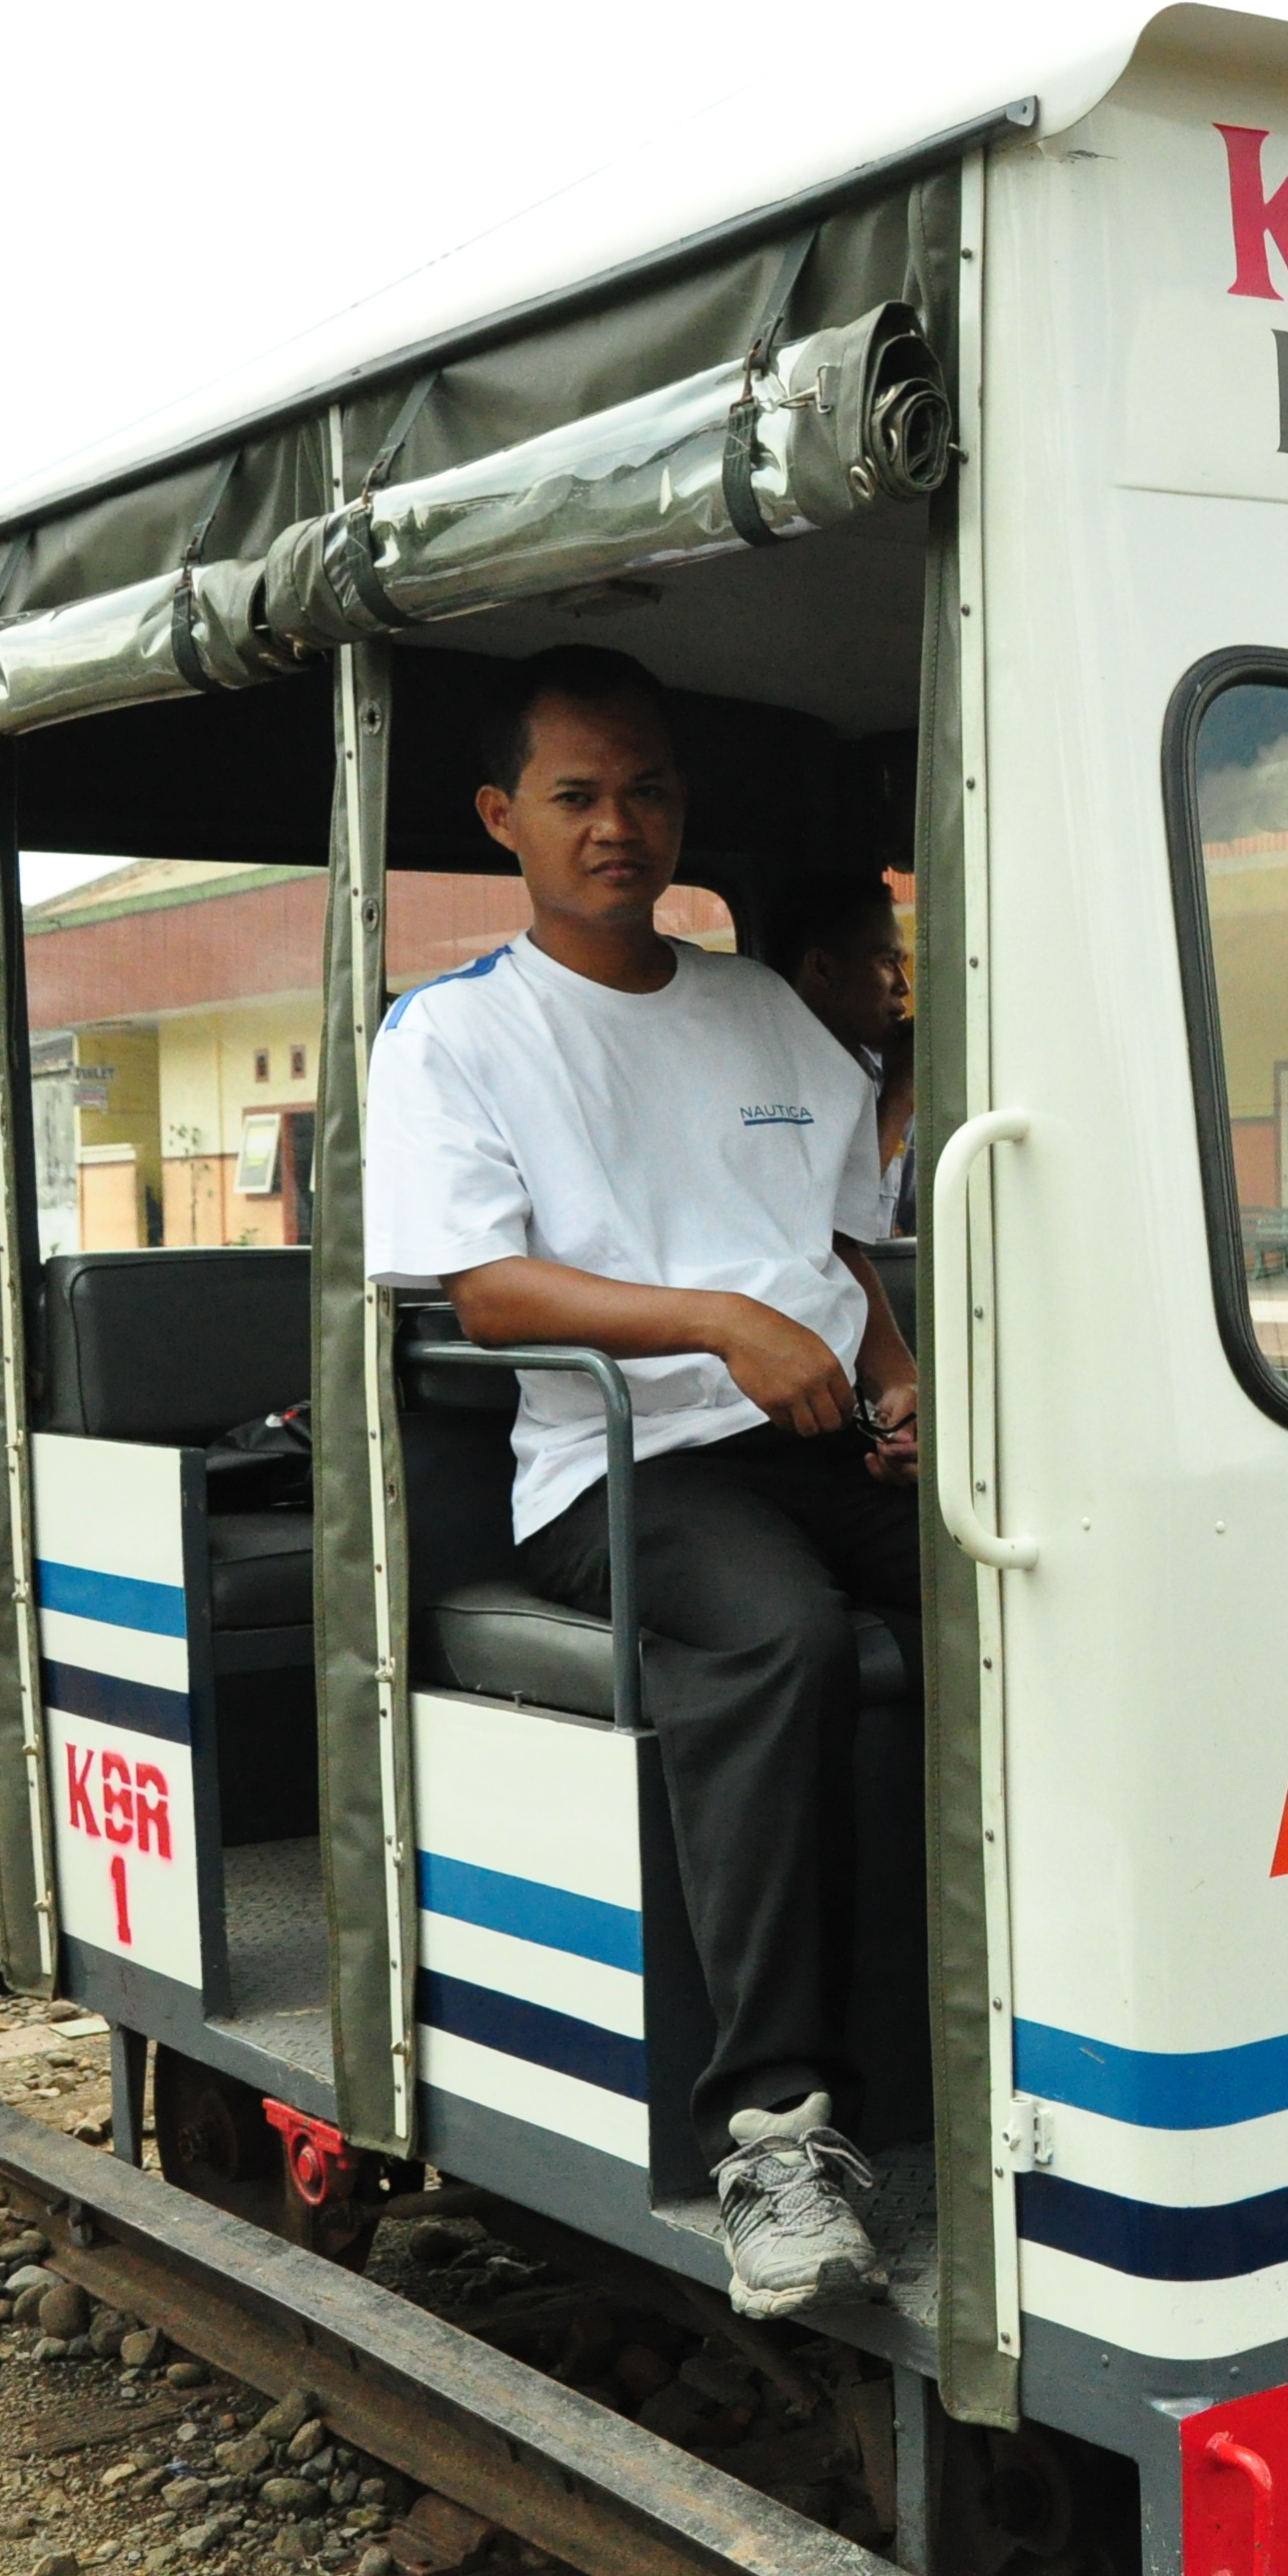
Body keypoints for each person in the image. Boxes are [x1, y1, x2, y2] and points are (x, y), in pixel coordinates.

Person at [365, 645, 918, 2318]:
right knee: (777, 1635)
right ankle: (777, 2129)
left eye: (648, 791)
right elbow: (486, 1295)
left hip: (811, 1439)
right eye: (578, 795)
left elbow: (837, 1243)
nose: (621, 824)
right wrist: (716, 1322)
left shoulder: (754, 1006)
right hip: (614, 1465)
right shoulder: (454, 1034)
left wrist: (890, 1373)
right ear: (500, 819)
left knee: (1034, 1577)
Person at [745, 870, 915, 1238]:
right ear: (822, 967)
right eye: (887, 962)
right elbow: (818, 1232)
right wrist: (900, 1097)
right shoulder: (760, 1081)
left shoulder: (886, 1073)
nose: (904, 986)